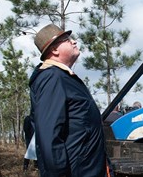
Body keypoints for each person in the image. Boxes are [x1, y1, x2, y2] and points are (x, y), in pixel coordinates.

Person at [29, 23, 113, 176]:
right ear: (54, 50)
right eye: (67, 40)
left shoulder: (64, 78)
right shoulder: (52, 78)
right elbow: (49, 139)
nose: (74, 41)